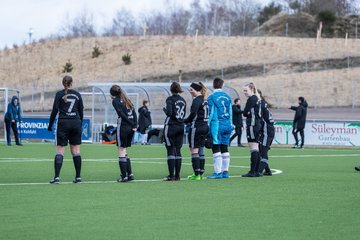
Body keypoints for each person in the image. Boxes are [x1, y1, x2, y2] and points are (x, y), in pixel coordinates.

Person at [48, 76, 84, 184]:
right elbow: (81, 110)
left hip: (63, 123)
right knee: (76, 151)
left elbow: (55, 110)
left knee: (60, 150)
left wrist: (50, 125)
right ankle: (78, 177)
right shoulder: (77, 95)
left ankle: (57, 177)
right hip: (76, 123)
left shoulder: (59, 94)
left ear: (63, 83)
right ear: (71, 83)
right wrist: (79, 122)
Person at [110, 84, 137, 182]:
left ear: (112, 94)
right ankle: (130, 174)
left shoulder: (115, 101)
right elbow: (134, 113)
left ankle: (124, 176)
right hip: (130, 128)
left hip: (123, 127)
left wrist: (130, 123)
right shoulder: (127, 99)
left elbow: (121, 114)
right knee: (124, 151)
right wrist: (134, 124)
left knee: (121, 150)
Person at [207, 78, 233, 179]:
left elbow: (211, 113)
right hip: (227, 124)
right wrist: (231, 124)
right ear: (222, 85)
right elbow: (230, 112)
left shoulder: (212, 97)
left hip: (217, 125)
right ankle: (225, 172)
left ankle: (218, 172)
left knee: (216, 147)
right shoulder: (227, 97)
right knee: (225, 147)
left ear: (213, 85)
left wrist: (207, 125)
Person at [184, 82, 209, 181]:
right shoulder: (204, 100)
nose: (190, 91)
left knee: (194, 150)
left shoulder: (197, 100)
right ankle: (201, 173)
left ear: (196, 90)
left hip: (197, 127)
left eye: (191, 89)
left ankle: (197, 174)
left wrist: (185, 121)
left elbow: (193, 114)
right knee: (201, 150)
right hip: (205, 126)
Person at [163, 82, 186, 181]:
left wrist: (165, 110)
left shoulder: (170, 99)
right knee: (178, 150)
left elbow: (169, 113)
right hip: (181, 126)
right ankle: (177, 175)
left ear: (171, 90)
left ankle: (171, 175)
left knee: (170, 150)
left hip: (171, 126)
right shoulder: (183, 100)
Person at [242, 82, 262, 177]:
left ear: (252, 90)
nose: (244, 92)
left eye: (246, 90)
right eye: (244, 90)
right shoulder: (257, 98)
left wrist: (247, 113)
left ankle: (252, 171)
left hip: (252, 125)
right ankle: (257, 171)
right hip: (257, 125)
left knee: (253, 148)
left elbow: (245, 113)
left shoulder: (252, 99)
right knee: (256, 148)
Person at [257, 89, 275, 176]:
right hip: (267, 130)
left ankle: (259, 171)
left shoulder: (260, 104)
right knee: (261, 150)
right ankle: (267, 170)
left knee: (263, 151)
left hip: (267, 130)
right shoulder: (262, 103)